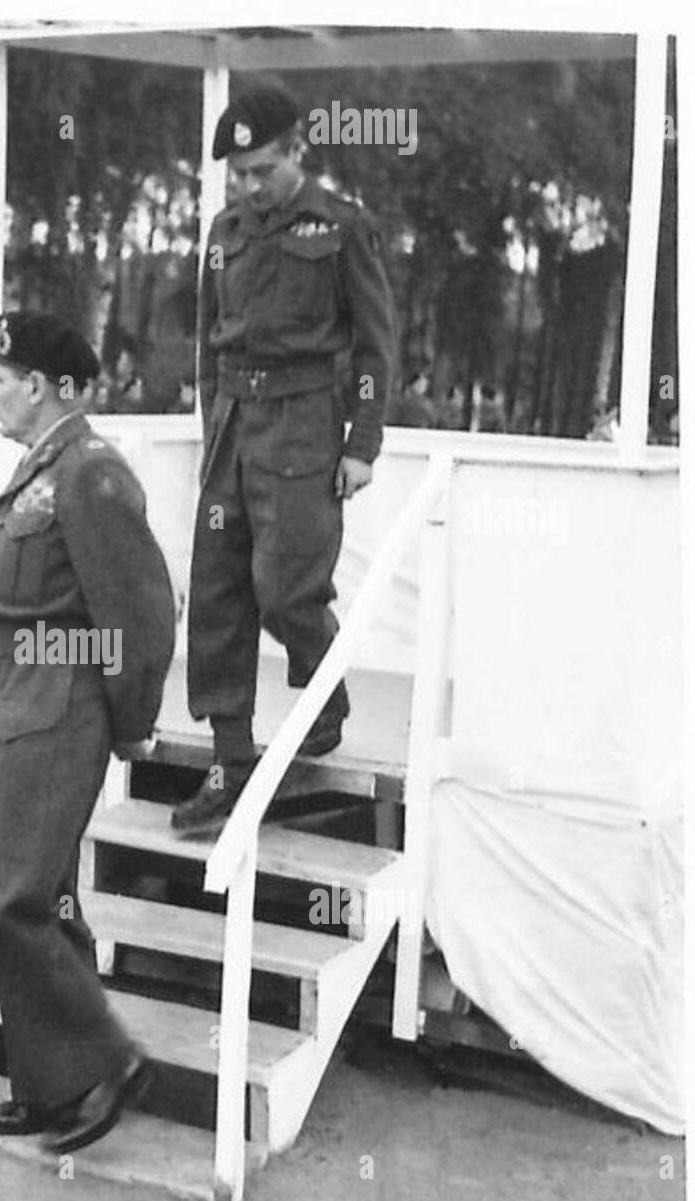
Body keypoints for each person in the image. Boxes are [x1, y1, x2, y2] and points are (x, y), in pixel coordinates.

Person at [0, 310, 176, 1153]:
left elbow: (141, 615)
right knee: (45, 896)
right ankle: (51, 1083)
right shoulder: (42, 468)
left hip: (54, 704)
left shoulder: (90, 474)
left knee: (6, 909)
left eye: (1, 381)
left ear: (45, 388)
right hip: (19, 695)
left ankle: (107, 1062)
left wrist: (128, 722)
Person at [172, 86, 397, 834]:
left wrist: (361, 444)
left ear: (297, 151)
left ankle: (323, 696)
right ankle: (228, 762)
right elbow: (208, 345)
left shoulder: (341, 227)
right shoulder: (222, 233)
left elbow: (374, 345)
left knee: (284, 589)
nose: (248, 187)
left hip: (304, 426)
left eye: (261, 170)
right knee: (217, 595)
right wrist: (212, 430)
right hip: (234, 424)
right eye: (237, 174)